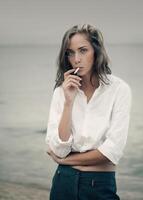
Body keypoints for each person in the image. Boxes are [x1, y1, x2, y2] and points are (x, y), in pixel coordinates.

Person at [45, 24, 132, 200]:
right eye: (70, 52)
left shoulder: (119, 90)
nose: (76, 59)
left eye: (83, 50)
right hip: (63, 182)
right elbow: (59, 149)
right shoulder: (62, 92)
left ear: (96, 52)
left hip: (99, 184)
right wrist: (68, 103)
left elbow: (112, 151)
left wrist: (66, 161)